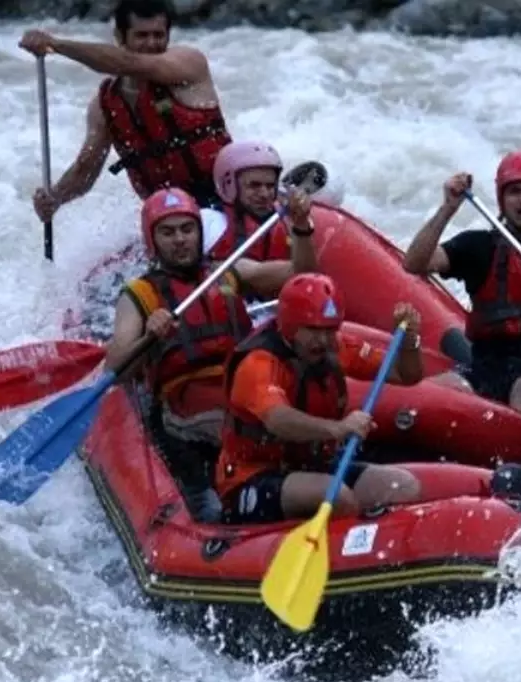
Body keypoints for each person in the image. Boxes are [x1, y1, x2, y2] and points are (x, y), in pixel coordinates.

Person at [102, 186, 317, 521]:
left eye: (187, 230)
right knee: (248, 426)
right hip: (186, 409)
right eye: (168, 232)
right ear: (152, 240)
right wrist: (147, 335)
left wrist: (302, 227)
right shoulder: (138, 296)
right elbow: (114, 369)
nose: (180, 240)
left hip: (247, 386)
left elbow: (302, 275)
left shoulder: (229, 270)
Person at [215, 274, 426, 524]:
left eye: (330, 330)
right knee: (336, 496)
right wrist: (338, 429)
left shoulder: (335, 348)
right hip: (252, 476)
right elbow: (278, 420)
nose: (323, 341)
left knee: (403, 487)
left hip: (310, 465)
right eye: (313, 331)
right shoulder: (258, 363)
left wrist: (410, 340)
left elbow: (406, 374)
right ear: (291, 325)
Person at [402, 150, 521, 430]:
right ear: (501, 198)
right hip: (484, 367)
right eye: (515, 191)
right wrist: (448, 208)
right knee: (418, 399)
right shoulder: (478, 247)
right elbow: (414, 263)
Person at [19, 0, 233, 223]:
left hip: (223, 204)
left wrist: (56, 45)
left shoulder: (188, 64)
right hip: (168, 220)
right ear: (120, 38)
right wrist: (55, 198)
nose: (151, 44)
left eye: (158, 35)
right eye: (141, 36)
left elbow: (128, 63)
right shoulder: (105, 105)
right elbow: (85, 170)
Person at [208, 140, 318, 319]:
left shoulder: (287, 221)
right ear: (229, 184)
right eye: (254, 185)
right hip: (229, 319)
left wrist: (301, 224)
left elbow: (308, 278)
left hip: (270, 314)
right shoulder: (211, 221)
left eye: (270, 186)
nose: (265, 194)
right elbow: (300, 274)